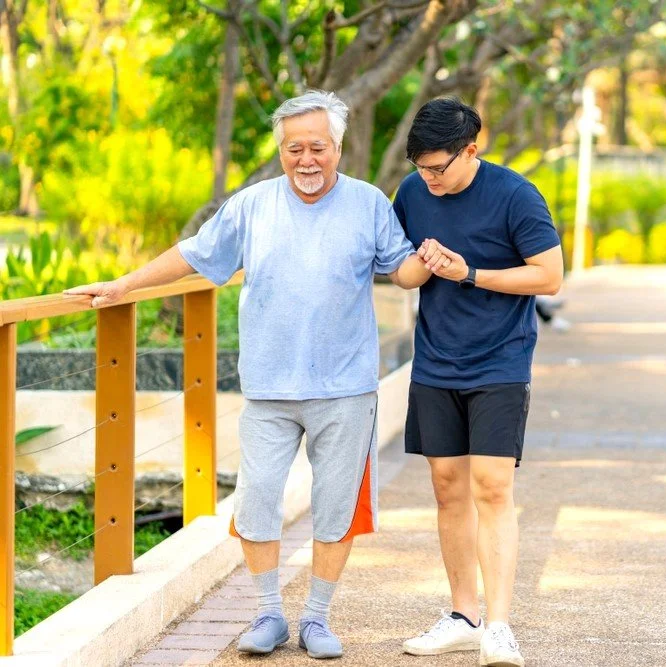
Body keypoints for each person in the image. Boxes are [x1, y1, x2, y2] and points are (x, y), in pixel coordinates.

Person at [66, 90, 431, 660]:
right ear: (280, 150)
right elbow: (194, 253)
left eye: (317, 147)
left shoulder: (367, 204)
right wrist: (123, 286)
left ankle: (316, 619)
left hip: (346, 386)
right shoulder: (253, 204)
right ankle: (268, 613)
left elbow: (401, 270)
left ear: (338, 147)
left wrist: (427, 260)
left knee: (337, 505)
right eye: (293, 149)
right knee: (257, 500)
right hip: (267, 387)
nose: (305, 160)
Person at [392, 97, 562, 667]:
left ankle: (499, 625)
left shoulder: (516, 195)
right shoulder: (414, 192)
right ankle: (463, 615)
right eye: (421, 168)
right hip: (436, 361)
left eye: (439, 168)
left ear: (472, 149)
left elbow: (549, 276)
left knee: (492, 487)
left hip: (500, 361)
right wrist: (424, 262)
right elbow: (402, 276)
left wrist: (469, 273)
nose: (429, 180)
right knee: (447, 488)